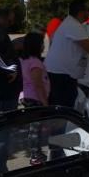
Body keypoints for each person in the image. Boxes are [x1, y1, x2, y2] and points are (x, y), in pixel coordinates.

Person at [19, 32, 50, 166]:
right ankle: (35, 155)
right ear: (36, 46)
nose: (44, 46)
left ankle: (35, 153)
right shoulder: (35, 62)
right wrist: (45, 103)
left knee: (34, 128)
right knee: (35, 129)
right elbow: (38, 85)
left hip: (29, 97)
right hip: (36, 99)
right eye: (42, 43)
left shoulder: (25, 60)